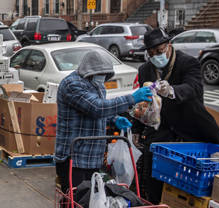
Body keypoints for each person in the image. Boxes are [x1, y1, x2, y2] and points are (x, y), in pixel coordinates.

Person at [137, 28, 219, 204]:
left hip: (191, 123)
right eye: (151, 53)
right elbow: (143, 102)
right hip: (162, 126)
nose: (156, 56)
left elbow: (193, 88)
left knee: (190, 177)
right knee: (151, 172)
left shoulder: (188, 63)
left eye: (159, 51)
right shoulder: (145, 70)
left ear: (168, 46)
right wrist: (136, 128)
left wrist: (171, 90)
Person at [55, 50, 153, 194]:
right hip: (74, 157)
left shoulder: (98, 85)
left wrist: (114, 119)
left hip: (93, 156)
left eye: (105, 74)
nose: (102, 78)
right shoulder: (72, 84)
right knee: (75, 204)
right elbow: (96, 107)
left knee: (88, 203)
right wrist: (131, 98)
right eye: (100, 74)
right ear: (88, 70)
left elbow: (97, 110)